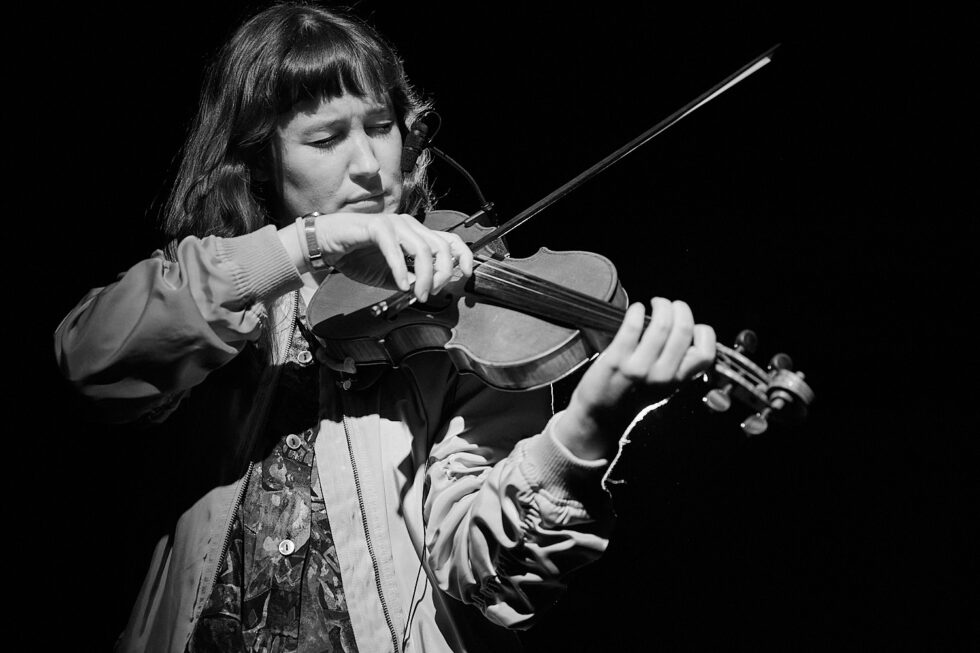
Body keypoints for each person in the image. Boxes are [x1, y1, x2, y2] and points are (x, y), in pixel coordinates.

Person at [54, 2, 716, 652]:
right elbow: (89, 366)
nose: (370, 165)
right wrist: (308, 244)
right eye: (325, 139)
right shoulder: (220, 280)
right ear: (259, 159)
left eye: (381, 126)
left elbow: (491, 579)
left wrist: (584, 432)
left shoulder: (463, 310)